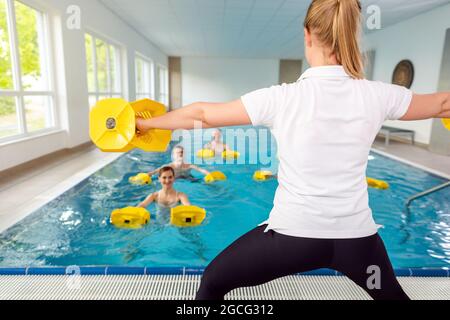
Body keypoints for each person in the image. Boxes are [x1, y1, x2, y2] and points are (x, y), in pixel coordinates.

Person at [135, 0, 450, 300]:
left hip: (292, 241)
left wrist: (146, 124)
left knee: (213, 282)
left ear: (307, 35)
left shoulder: (282, 97)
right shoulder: (380, 95)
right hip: (358, 243)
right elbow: (442, 104)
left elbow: (201, 114)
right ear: (352, 35)